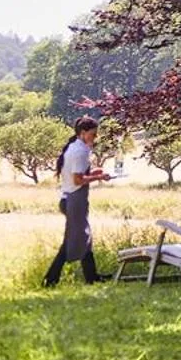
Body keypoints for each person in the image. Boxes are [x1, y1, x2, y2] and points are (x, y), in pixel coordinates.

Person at [43, 117, 112, 286]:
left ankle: (92, 277)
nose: (95, 138)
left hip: (70, 199)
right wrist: (99, 177)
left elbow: (76, 175)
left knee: (83, 239)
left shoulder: (74, 147)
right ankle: (50, 279)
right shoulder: (80, 152)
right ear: (83, 133)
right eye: (93, 134)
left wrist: (94, 173)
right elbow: (77, 180)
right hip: (75, 200)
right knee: (72, 242)